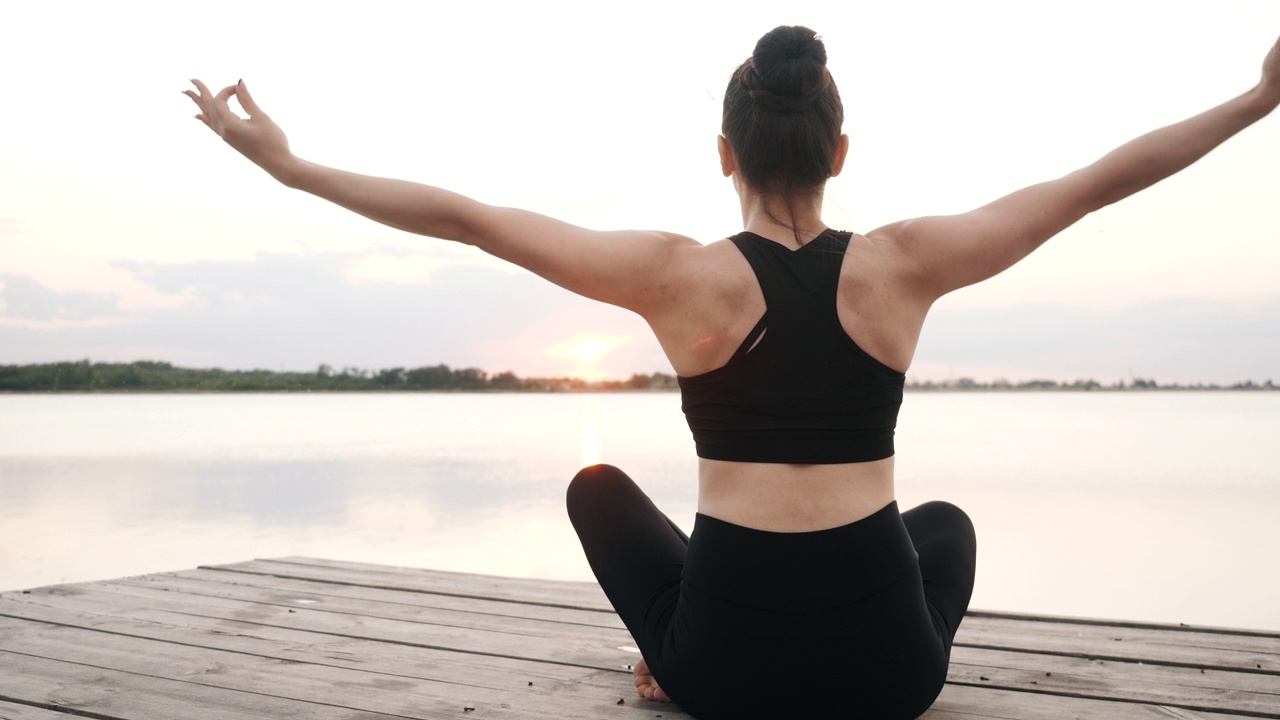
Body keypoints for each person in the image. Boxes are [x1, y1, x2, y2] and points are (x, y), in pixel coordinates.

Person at [185, 25, 1280, 720]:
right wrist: (1255, 99)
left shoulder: (674, 277)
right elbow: (1093, 182)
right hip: (889, 679)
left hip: (723, 671)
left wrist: (287, 165)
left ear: (724, 153)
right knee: (941, 527)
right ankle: (810, 637)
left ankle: (661, 663)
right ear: (837, 152)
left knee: (595, 488)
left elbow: (468, 220)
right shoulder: (904, 264)